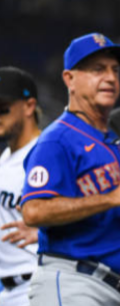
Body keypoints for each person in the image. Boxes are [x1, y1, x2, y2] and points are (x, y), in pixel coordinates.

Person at [20, 33, 120, 306]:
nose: (109, 77)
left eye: (114, 70)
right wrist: (113, 197)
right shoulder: (58, 139)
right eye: (98, 69)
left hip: (113, 288)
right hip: (74, 282)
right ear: (69, 79)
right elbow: (34, 211)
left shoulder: (113, 142)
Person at [0, 67, 40, 306]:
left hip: (32, 287)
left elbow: (88, 213)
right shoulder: (5, 157)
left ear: (29, 106)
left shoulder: (44, 153)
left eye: (3, 107)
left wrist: (45, 233)